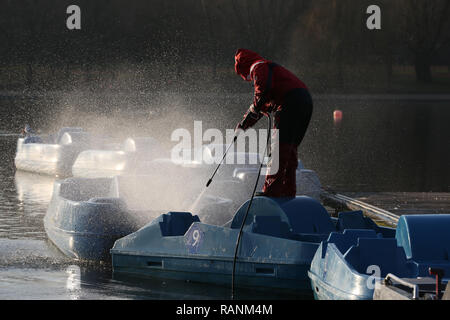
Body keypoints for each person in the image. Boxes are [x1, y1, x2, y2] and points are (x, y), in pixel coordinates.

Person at [234, 49, 313, 198]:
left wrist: (253, 111)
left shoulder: (258, 66)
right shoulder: (269, 69)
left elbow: (261, 95)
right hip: (305, 101)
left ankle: (271, 193)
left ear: (244, 69)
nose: (250, 80)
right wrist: (244, 126)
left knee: (278, 150)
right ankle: (288, 192)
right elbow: (261, 105)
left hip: (290, 103)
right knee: (289, 149)